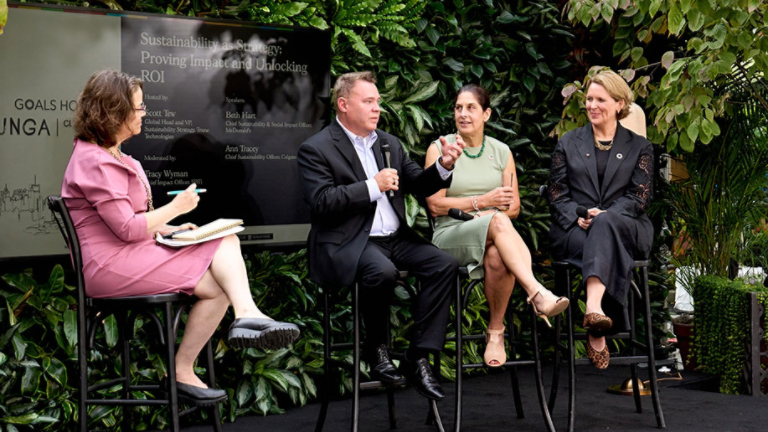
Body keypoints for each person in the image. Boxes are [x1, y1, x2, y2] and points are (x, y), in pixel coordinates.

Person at [61, 70, 299, 403]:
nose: (145, 113)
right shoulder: (95, 162)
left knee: (219, 280)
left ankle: (185, 368)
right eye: (140, 107)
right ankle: (245, 318)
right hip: (107, 267)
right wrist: (177, 208)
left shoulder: (115, 157)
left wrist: (172, 229)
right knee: (222, 243)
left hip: (128, 253)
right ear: (115, 111)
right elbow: (127, 229)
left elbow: (131, 220)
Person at [297, 71, 464, 401]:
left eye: (378, 101)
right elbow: (321, 202)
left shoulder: (388, 142)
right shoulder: (315, 148)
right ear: (343, 105)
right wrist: (373, 186)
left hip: (396, 239)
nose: (377, 108)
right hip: (351, 241)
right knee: (381, 272)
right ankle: (376, 350)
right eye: (368, 101)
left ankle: (417, 356)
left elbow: (417, 184)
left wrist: (443, 166)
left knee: (444, 264)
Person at [425, 84, 569, 368]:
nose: (462, 114)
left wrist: (487, 214)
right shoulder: (439, 149)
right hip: (449, 235)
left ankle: (495, 334)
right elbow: (435, 205)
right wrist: (484, 203)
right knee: (498, 220)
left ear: (486, 114)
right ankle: (537, 293)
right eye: (458, 108)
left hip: (492, 233)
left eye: (470, 108)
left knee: (497, 256)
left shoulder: (501, 151)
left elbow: (513, 207)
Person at [546, 69, 654, 369]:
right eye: (589, 99)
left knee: (606, 225)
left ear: (620, 103)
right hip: (575, 229)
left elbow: (640, 197)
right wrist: (580, 216)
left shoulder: (640, 146)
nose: (592, 105)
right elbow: (556, 194)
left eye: (600, 100)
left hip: (627, 227)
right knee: (601, 231)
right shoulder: (569, 142)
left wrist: (605, 215)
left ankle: (594, 314)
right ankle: (598, 316)